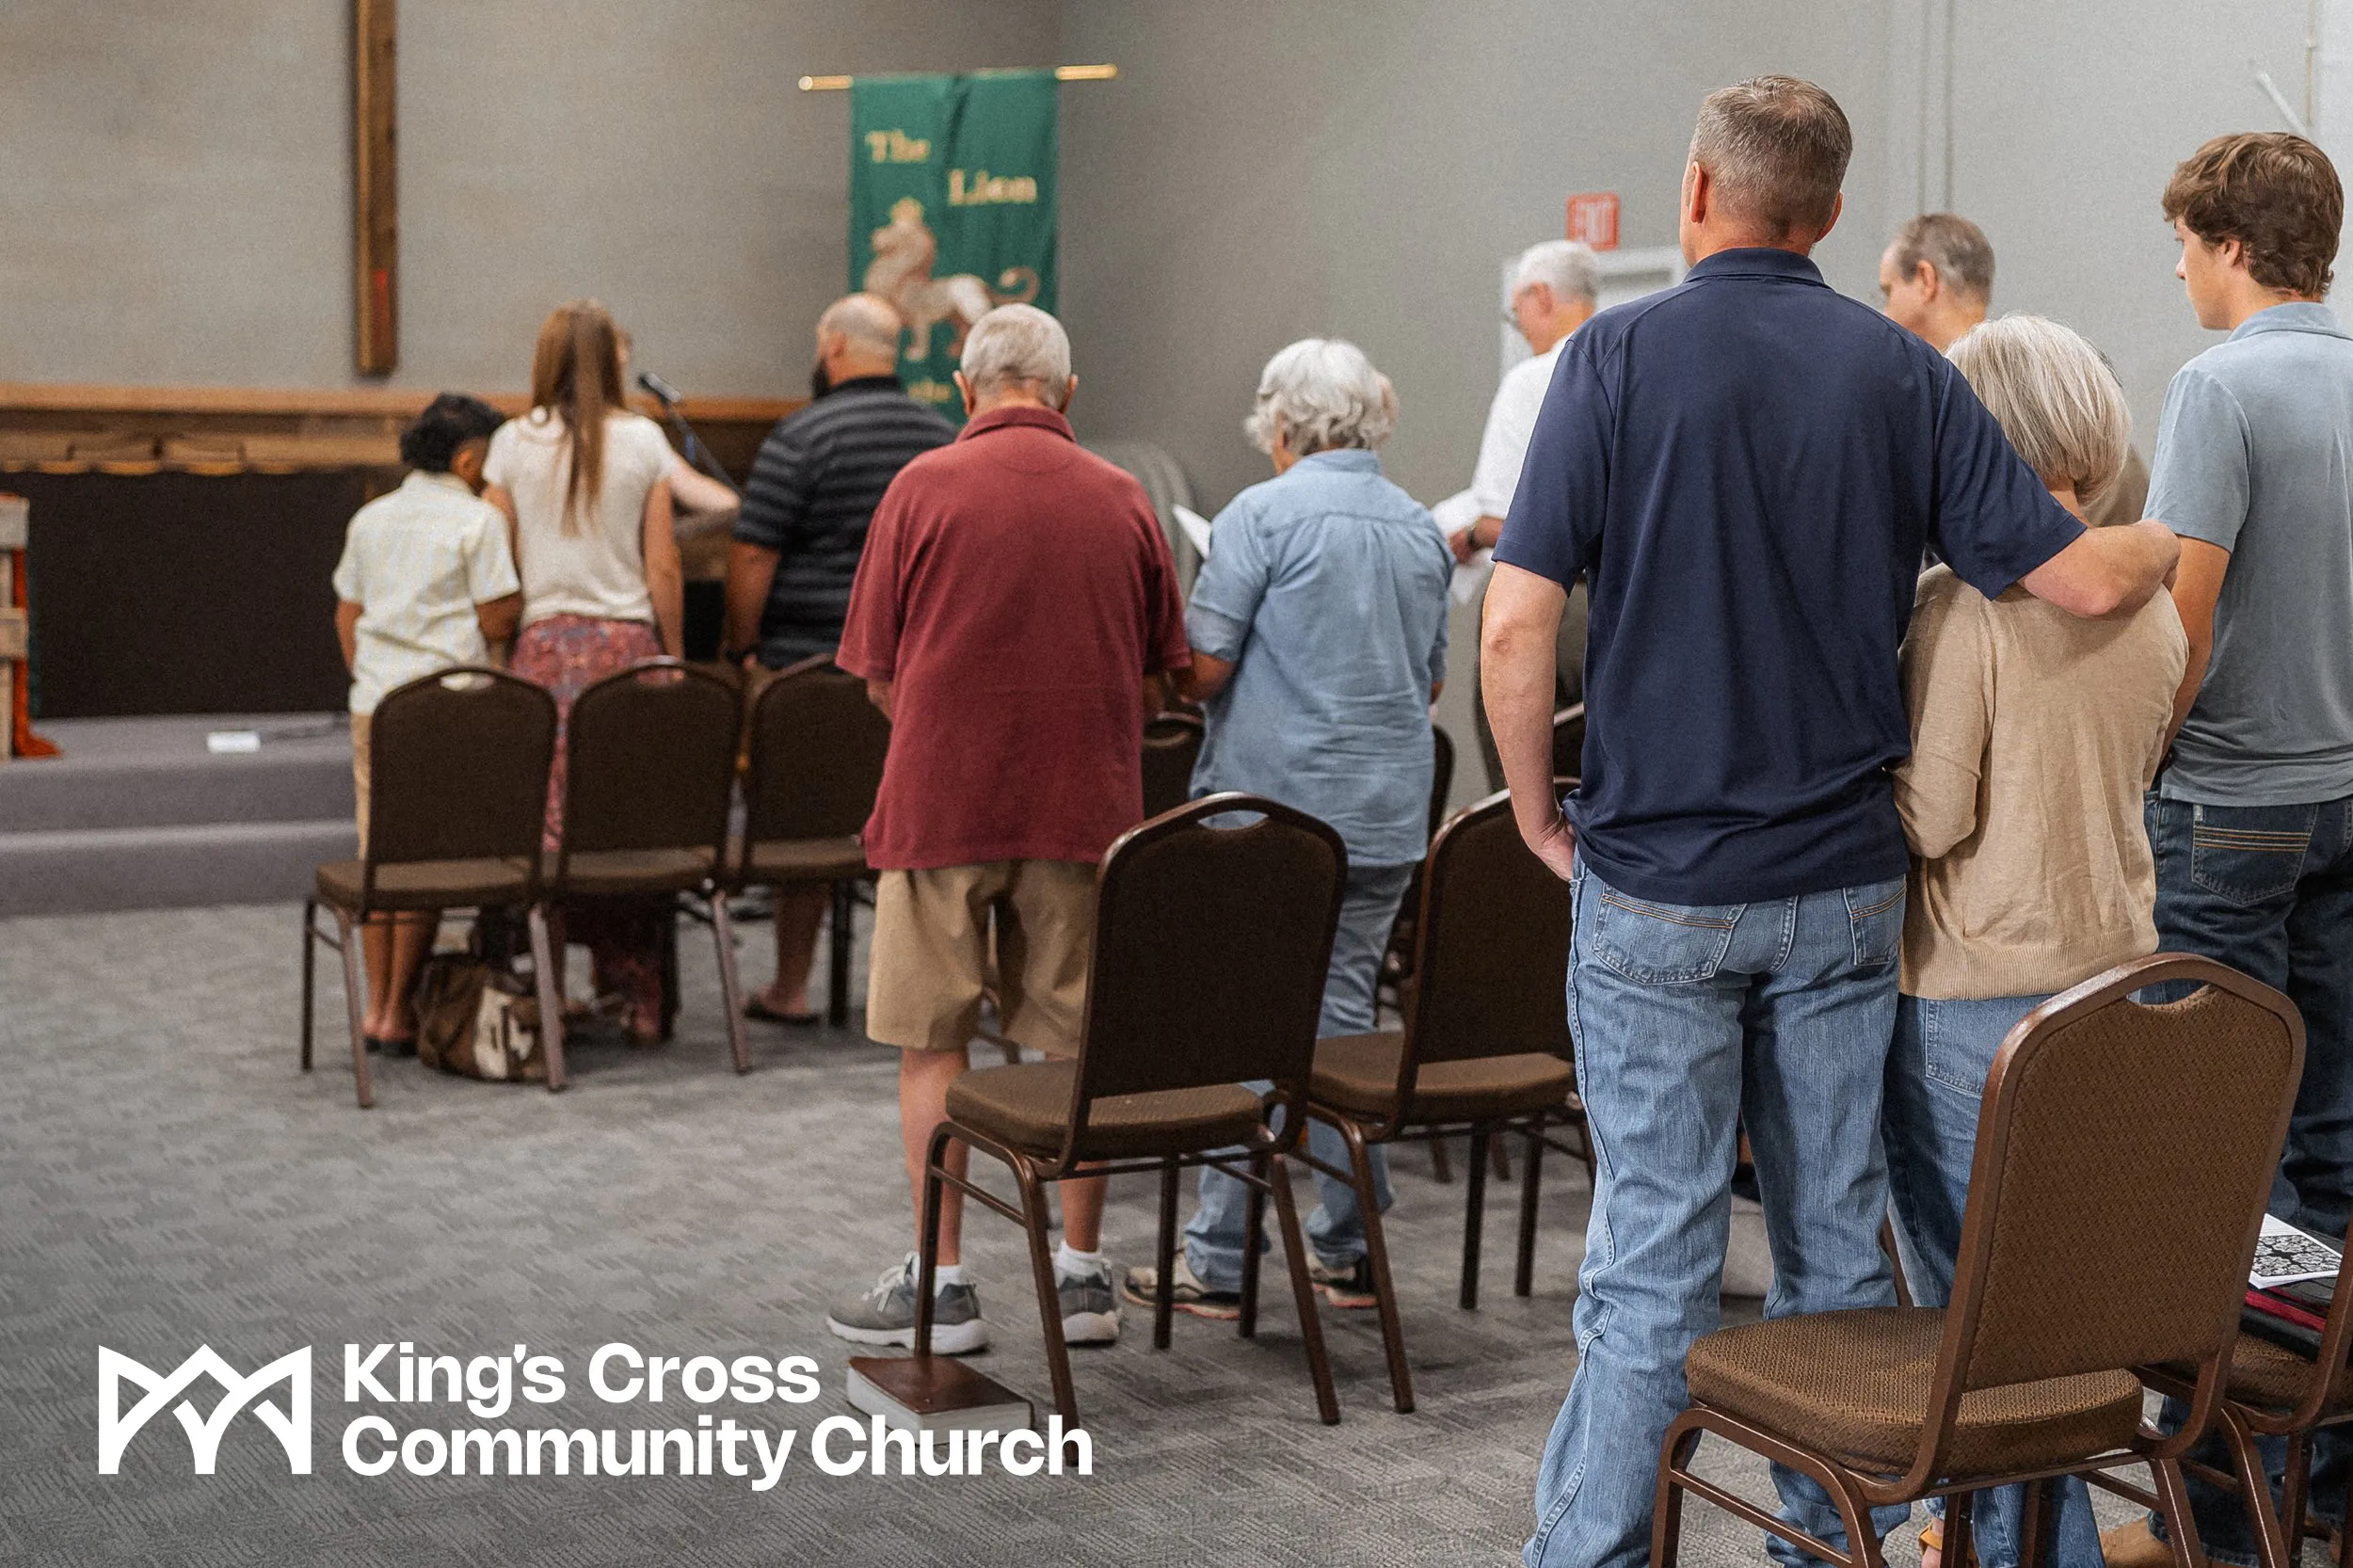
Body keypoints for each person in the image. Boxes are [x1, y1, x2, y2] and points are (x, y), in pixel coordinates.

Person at [1481, 76, 2179, 1568]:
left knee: (1651, 1260)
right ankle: (1829, 1541)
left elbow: (1515, 622)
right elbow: (2074, 581)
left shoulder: (1607, 358)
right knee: (1831, 1250)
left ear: (1692, 194)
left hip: (1656, 882)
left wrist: (1541, 814)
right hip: (1843, 893)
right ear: (1836, 214)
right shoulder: (1901, 373)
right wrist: (2176, 532)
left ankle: (1591, 1554)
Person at [824, 304, 1190, 1354]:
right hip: (1085, 809)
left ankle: (940, 1286)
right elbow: (1168, 677)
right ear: (1066, 394)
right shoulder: (1126, 499)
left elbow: (878, 675)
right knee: (1073, 1042)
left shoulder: (919, 489)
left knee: (930, 1042)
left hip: (940, 807)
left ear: (963, 387)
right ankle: (1079, 1281)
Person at [1885, 315, 2186, 1568]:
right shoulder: (2153, 607)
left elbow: (1933, 813)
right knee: (2059, 1313)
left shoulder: (1965, 611)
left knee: (1976, 1325)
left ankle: (2025, 1553)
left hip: (1975, 997)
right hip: (2119, 983)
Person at [2103, 131, 2353, 1568]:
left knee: (2215, 1164)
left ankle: (2207, 1514)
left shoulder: (2218, 383)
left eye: (2185, 243)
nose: (2178, 266)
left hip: (2233, 808)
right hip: (2347, 795)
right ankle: (2319, 1477)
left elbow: (2182, 622)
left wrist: (2138, 758)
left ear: (2232, 246)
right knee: (2327, 1146)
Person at [1115, 338, 1450, 1318]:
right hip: (1386, 812)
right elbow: (1428, 679)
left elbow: (1205, 669)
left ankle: (1222, 1260)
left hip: (1272, 814)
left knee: (1244, 1019)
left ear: (1283, 424)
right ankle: (1342, 1244)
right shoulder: (1419, 528)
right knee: (1339, 1012)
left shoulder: (1259, 516)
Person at [723, 293, 955, 1027]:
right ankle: (913, 994)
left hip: (808, 667)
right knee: (914, 833)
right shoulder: (942, 437)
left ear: (832, 347)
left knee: (803, 828)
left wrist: (743, 648)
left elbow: (754, 550)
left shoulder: (802, 435)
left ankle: (792, 986)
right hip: (915, 671)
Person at [484, 299, 685, 1045]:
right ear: (611, 359)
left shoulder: (509, 443)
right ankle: (638, 993)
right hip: (626, 652)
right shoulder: (644, 440)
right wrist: (672, 655)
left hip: (541, 653)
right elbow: (662, 561)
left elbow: (497, 554)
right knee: (623, 823)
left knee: (549, 828)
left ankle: (547, 990)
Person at [330, 393, 520, 1053]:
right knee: (428, 861)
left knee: (380, 856)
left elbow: (347, 616)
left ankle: (375, 1009)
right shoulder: (477, 521)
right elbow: (498, 618)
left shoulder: (371, 517)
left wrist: (370, 678)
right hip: (447, 707)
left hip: (377, 704)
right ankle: (396, 1009)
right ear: (469, 459)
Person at [1881, 213, 2151, 527]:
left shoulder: (1948, 406)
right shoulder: (2064, 406)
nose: (1883, 312)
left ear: (1926, 279)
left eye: (1888, 291)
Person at [1455, 240, 1601, 790]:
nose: (1519, 327)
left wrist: (1468, 534)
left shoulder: (1531, 381)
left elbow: (1502, 522)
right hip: (1625, 607)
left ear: (1540, 297)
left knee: (1523, 782)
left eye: (1516, 313)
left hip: (1553, 604)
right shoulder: (1636, 368)